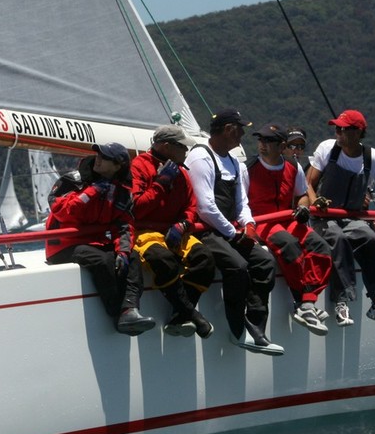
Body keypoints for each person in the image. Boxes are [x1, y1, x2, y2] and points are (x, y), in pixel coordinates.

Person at [184, 110, 283, 356]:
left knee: (265, 262)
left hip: (228, 231)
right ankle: (238, 330)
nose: (242, 134)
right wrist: (233, 233)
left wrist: (249, 225)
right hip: (205, 231)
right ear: (228, 129)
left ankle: (256, 325)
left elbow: (242, 204)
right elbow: (205, 207)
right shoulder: (200, 156)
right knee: (237, 266)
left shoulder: (234, 163)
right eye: (239, 129)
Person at [303, 109, 375, 329]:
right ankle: (340, 301)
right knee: (337, 238)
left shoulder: (373, 158)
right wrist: (315, 201)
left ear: (358, 132)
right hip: (324, 218)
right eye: (337, 127)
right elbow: (308, 183)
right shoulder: (328, 149)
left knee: (371, 239)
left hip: (352, 218)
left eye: (343, 129)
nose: (338, 132)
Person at [45, 142, 156, 336]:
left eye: (104, 157)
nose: (97, 158)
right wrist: (93, 191)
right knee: (103, 260)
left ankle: (130, 310)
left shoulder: (121, 191)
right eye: (97, 154)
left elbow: (123, 225)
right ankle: (116, 313)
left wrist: (122, 251)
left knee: (132, 257)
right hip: (63, 245)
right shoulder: (73, 180)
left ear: (117, 165)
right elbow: (62, 212)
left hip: (93, 243)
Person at [244, 123, 332, 335]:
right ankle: (302, 301)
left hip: (286, 220)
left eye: (269, 141)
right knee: (289, 246)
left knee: (321, 247)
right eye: (261, 140)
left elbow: (302, 195)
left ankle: (308, 301)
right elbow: (241, 202)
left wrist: (303, 208)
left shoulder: (294, 167)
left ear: (282, 146)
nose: (263, 145)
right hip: (262, 222)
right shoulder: (248, 167)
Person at [130, 125, 216, 338]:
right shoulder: (139, 166)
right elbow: (137, 208)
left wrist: (183, 225)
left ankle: (180, 316)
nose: (186, 152)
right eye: (182, 147)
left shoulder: (181, 171)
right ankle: (191, 314)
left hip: (174, 231)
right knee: (163, 260)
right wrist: (161, 183)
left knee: (205, 260)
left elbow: (191, 206)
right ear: (166, 146)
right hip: (145, 231)